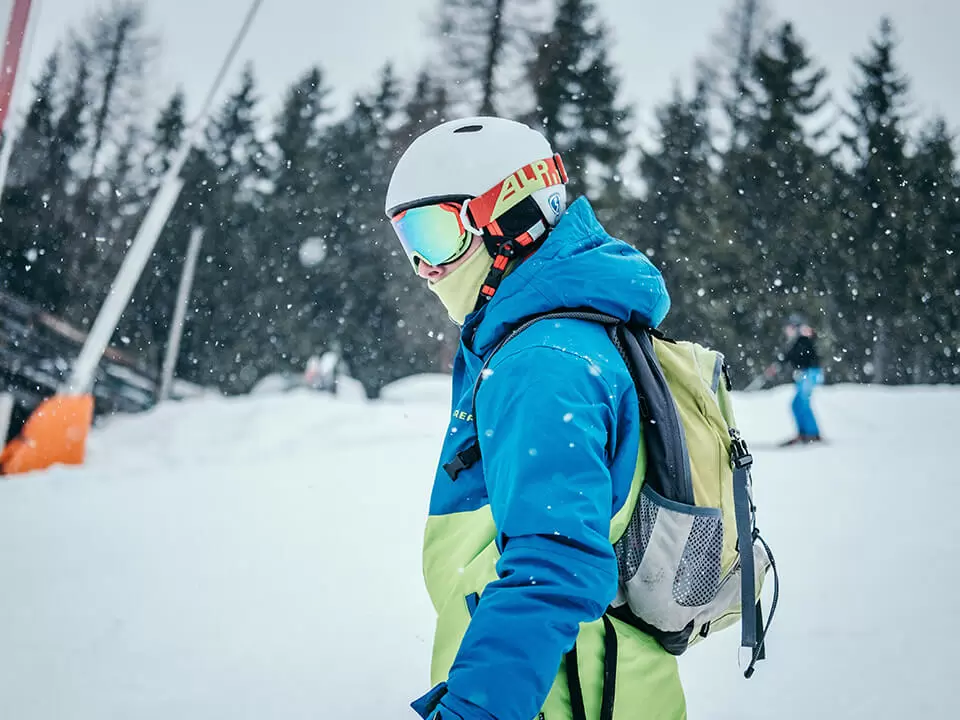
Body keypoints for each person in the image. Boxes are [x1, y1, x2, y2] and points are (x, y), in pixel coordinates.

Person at [385, 117, 685, 720]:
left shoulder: (543, 362)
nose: (424, 267)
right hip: (595, 685)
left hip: (562, 696)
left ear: (512, 220)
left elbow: (553, 563)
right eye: (408, 241)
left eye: (435, 235)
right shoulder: (561, 340)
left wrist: (477, 709)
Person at [764, 314, 824, 445]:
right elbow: (789, 356)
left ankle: (812, 433)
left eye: (789, 327)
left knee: (802, 402)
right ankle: (803, 433)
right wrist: (777, 366)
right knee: (796, 404)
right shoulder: (796, 341)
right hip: (804, 373)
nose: (787, 330)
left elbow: (807, 344)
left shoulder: (803, 338)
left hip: (810, 372)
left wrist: (810, 333)